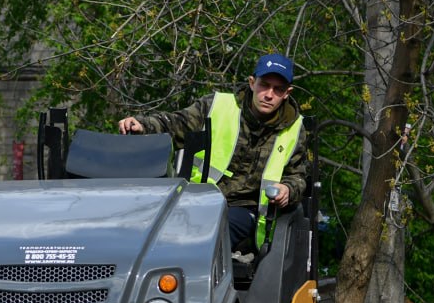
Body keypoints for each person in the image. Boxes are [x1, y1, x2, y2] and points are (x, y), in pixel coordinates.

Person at [118, 53, 307, 250]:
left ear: (287, 93)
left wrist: (288, 190)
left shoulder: (294, 128)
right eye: (264, 85)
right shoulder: (217, 106)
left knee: (214, 229)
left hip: (247, 211)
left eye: (278, 89)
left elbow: (298, 177)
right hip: (199, 200)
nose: (269, 94)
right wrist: (143, 125)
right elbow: (177, 124)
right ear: (252, 83)